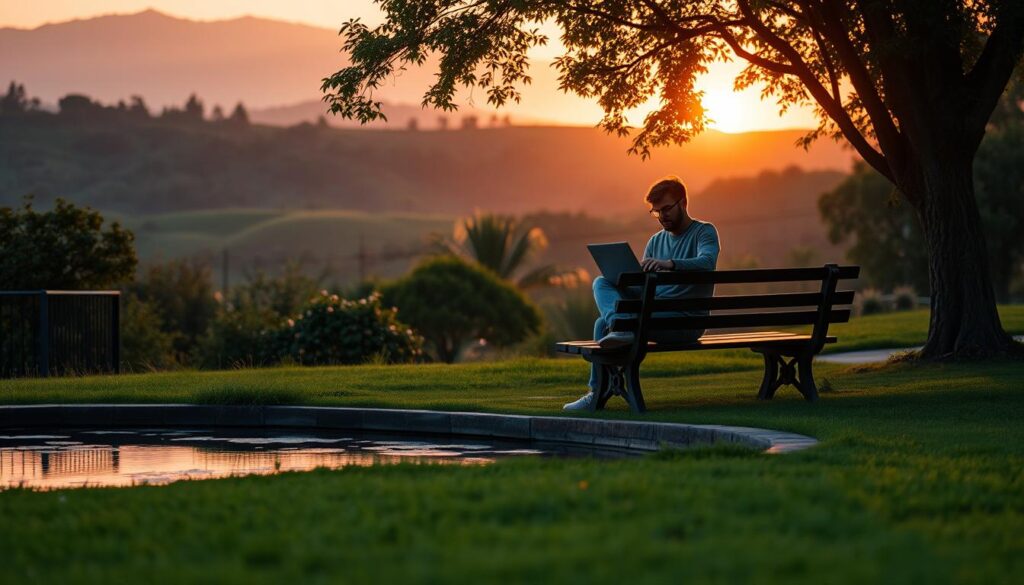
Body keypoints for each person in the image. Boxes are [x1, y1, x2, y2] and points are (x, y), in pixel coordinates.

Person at [563, 176, 721, 411]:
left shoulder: (704, 232)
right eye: (656, 212)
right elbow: (646, 284)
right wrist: (627, 280)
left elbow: (706, 262)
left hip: (685, 321)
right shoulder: (656, 240)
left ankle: (599, 388)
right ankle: (596, 391)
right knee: (601, 284)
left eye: (666, 209)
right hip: (652, 315)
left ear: (684, 203)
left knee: (602, 326)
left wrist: (670, 264)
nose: (662, 216)